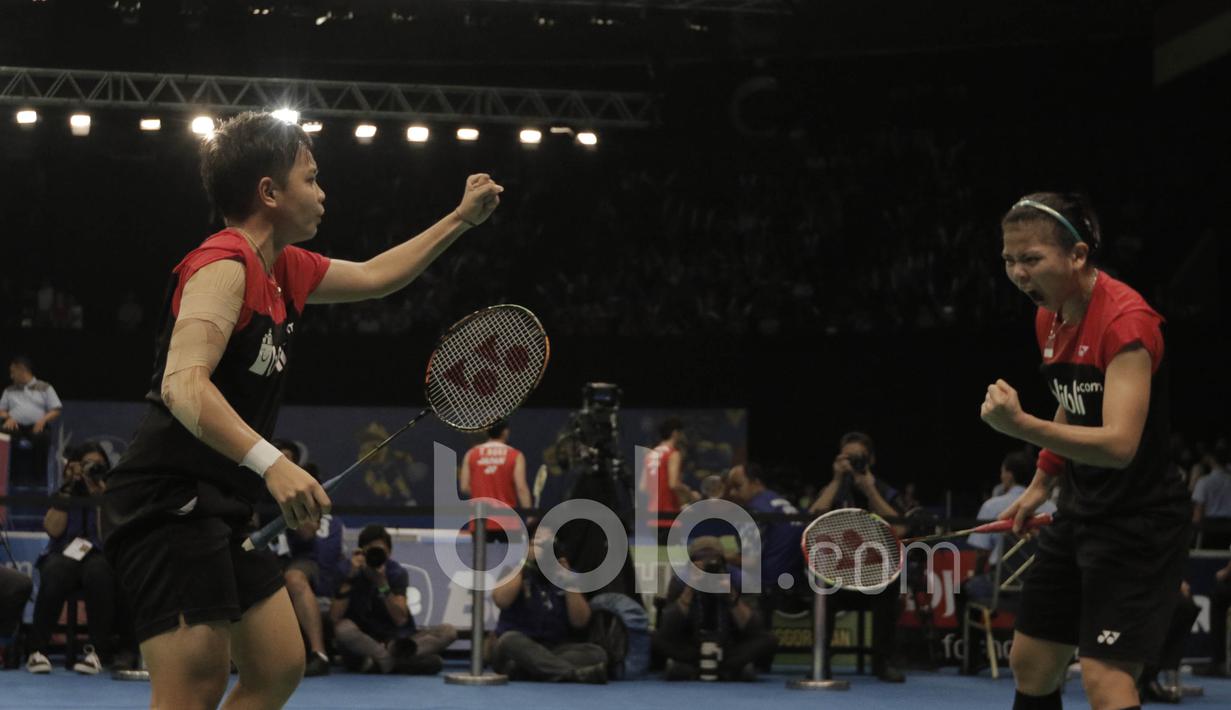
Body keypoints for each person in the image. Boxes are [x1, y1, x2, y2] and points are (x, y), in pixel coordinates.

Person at [100, 111, 502, 709]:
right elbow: (184, 387)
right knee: (194, 689)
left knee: (278, 666)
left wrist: (460, 221)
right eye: (310, 179)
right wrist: (273, 464)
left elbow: (374, 276)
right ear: (269, 192)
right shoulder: (223, 265)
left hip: (220, 506)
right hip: (167, 503)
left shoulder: (284, 267)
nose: (322, 193)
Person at [981, 192, 1191, 710]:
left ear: (1077, 255)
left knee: (1105, 677)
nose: (1018, 274)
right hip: (1079, 513)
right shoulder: (1050, 317)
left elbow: (1119, 445)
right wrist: (1039, 485)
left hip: (1137, 523)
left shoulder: (1126, 325)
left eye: (1031, 259)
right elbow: (1072, 404)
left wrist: (1021, 425)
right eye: (1009, 260)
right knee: (1031, 661)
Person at [806, 432, 907, 683]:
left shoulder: (883, 489)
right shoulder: (834, 489)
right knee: (820, 585)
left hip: (874, 576)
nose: (853, 462)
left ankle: (882, 662)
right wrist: (836, 479)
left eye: (858, 457)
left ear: (870, 459)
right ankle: (821, 661)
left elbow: (902, 529)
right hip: (837, 576)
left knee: (891, 585)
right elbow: (811, 519)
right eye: (847, 457)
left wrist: (870, 491)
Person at [27, 443, 117, 674]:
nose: (92, 469)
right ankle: (37, 651)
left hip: (97, 554)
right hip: (62, 553)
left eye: (98, 465)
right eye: (87, 465)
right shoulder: (64, 491)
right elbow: (53, 531)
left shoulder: (109, 493)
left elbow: (108, 536)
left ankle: (96, 652)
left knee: (100, 572)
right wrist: (69, 488)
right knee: (56, 571)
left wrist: (99, 496)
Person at [490, 521, 609, 683]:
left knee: (597, 653)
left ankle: (531, 670)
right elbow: (501, 601)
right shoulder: (514, 569)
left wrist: (569, 583)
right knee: (509, 640)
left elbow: (580, 621)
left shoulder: (566, 573)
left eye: (549, 544)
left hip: (553, 647)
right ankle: (573, 674)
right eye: (538, 543)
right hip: (516, 645)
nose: (544, 550)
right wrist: (526, 564)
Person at [330, 525, 456, 674]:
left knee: (448, 631)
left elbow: (400, 619)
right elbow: (334, 618)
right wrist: (350, 579)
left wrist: (382, 584)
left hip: (398, 643)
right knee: (343, 629)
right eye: (370, 551)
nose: (374, 556)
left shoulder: (396, 573)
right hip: (363, 643)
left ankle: (378, 664)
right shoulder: (346, 570)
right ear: (360, 552)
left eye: (380, 551)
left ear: (389, 553)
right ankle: (399, 663)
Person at [652, 536, 777, 681]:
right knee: (654, 638)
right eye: (702, 559)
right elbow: (668, 627)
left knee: (769, 640)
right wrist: (690, 588)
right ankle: (728, 670)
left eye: (713, 559)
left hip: (729, 645)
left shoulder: (738, 579)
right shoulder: (681, 580)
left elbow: (754, 627)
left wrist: (730, 594)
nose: (708, 565)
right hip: (692, 645)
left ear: (723, 560)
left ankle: (694, 669)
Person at [272, 439, 346, 677]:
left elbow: (309, 531)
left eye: (289, 459)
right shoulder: (253, 488)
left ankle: (319, 653)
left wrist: (289, 502)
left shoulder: (299, 489)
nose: (283, 463)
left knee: (294, 579)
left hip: (302, 558)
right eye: (278, 458)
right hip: (267, 558)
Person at [459, 420, 530, 542]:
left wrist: (482, 492)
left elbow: (464, 487)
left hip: (480, 521)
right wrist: (530, 515)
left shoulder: (471, 454)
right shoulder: (515, 455)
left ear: (487, 432)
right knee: (510, 561)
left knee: (481, 560)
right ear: (505, 432)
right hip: (507, 522)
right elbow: (521, 488)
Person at [0, 356, 62, 489]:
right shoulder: (9, 390)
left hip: (37, 426)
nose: (11, 376)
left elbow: (56, 409)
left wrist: (43, 420)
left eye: (13, 372)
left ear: (22, 370)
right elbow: (1, 410)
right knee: (4, 434)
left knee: (42, 437)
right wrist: (8, 417)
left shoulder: (45, 387)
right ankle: (11, 478)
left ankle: (38, 479)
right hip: (15, 426)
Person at [640, 418, 698, 541]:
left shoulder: (650, 454)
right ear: (675, 433)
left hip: (652, 516)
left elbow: (643, 486)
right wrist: (690, 494)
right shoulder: (673, 454)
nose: (683, 436)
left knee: (659, 557)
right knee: (673, 558)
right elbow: (673, 484)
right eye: (681, 433)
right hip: (670, 516)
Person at [1192, 448, 1231, 549]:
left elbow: (1198, 514)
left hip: (1208, 533)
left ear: (1212, 460)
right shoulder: (1203, 482)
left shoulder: (1204, 482)